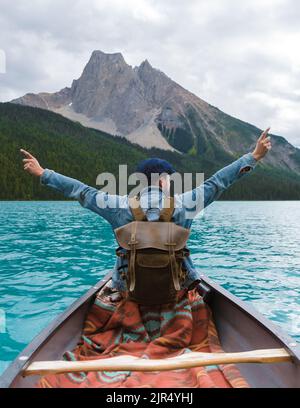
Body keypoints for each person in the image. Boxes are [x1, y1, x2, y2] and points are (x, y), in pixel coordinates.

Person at [20, 128, 272, 292]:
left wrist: (44, 173)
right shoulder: (184, 203)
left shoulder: (118, 206)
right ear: (163, 180)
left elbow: (82, 191)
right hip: (175, 289)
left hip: (129, 290)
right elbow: (218, 182)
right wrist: (254, 157)